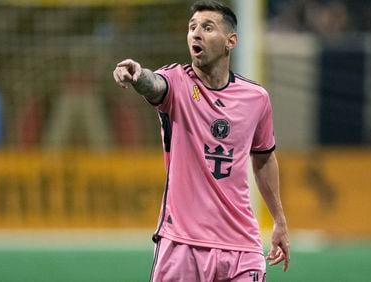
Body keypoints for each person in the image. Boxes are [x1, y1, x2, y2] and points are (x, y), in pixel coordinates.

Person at [113, 1, 290, 281]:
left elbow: (264, 156)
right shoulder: (177, 81)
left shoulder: (256, 98)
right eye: (192, 27)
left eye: (207, 28)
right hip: (183, 244)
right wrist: (137, 76)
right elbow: (154, 84)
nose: (196, 33)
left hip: (242, 246)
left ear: (231, 41)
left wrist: (279, 219)